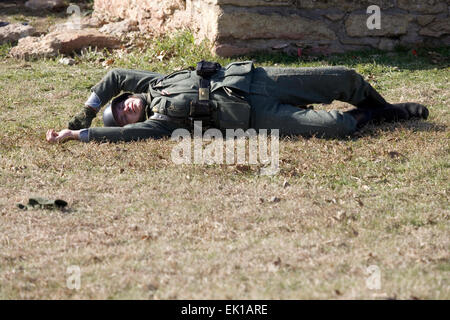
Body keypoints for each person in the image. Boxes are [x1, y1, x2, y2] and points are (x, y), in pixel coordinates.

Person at [46, 60, 429, 143]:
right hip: (255, 115)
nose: (124, 108)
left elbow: (113, 77)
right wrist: (81, 135)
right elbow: (121, 138)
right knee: (338, 127)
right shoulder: (160, 124)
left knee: (345, 78)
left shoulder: (153, 83)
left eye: (121, 104)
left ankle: (386, 109)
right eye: (120, 116)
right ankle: (386, 116)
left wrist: (86, 112)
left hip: (260, 81)